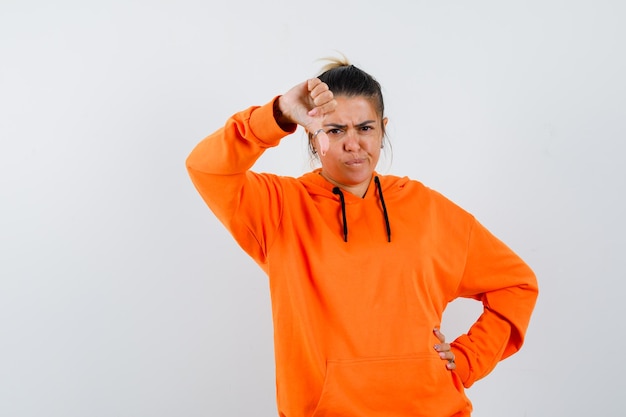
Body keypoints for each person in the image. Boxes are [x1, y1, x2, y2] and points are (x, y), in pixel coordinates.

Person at [186, 58, 538, 417]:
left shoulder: (427, 209)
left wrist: (467, 360)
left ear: (383, 130)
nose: (353, 144)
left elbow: (515, 285)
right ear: (312, 132)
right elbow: (206, 168)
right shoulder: (279, 208)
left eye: (365, 128)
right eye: (335, 130)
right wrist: (276, 114)